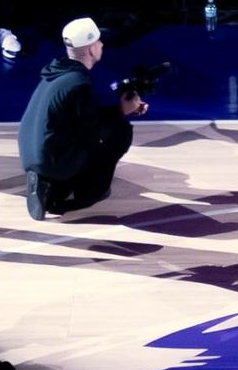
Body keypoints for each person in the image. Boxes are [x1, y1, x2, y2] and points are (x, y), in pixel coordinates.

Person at [19, 17, 148, 220]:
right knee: (119, 131)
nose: (102, 45)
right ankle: (78, 194)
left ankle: (50, 183)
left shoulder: (59, 72)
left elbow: (82, 116)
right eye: (98, 41)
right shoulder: (78, 83)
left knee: (100, 130)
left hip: (34, 155)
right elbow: (91, 134)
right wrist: (121, 113)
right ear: (90, 49)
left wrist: (119, 109)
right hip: (53, 161)